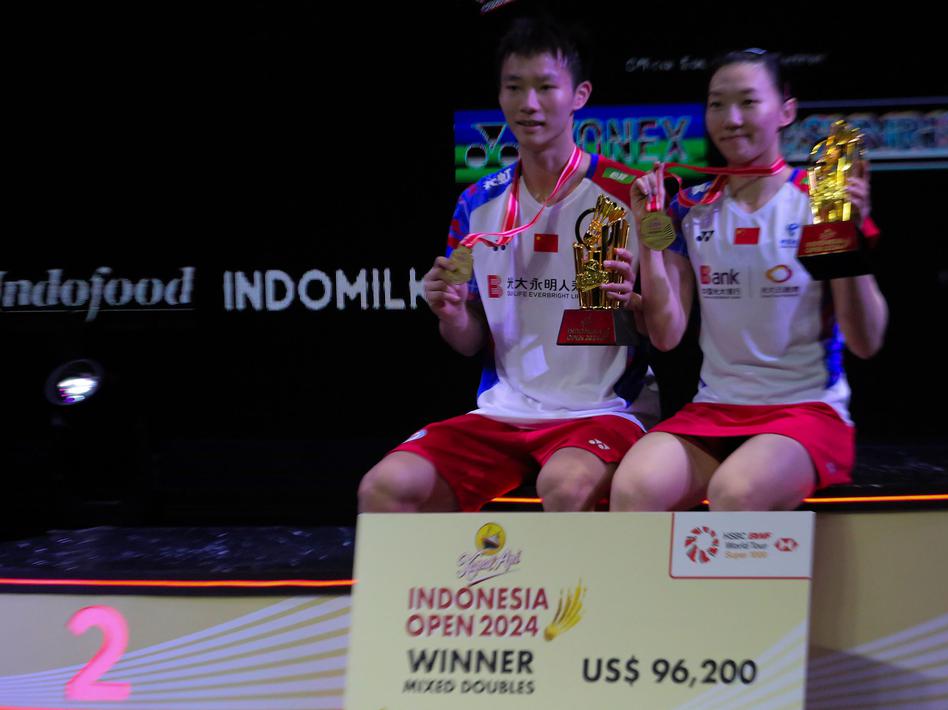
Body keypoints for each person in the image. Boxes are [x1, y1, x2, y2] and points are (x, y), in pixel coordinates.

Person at [358, 18, 651, 514]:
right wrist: (451, 314)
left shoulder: (631, 194)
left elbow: (666, 329)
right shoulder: (476, 203)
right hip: (503, 412)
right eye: (514, 88)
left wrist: (634, 305)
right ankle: (453, 592)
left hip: (602, 409)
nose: (528, 103)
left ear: (579, 95)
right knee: (383, 487)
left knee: (565, 484)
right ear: (499, 96)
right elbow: (470, 340)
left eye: (544, 87)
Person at [611, 49, 887, 512]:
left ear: (786, 111)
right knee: (633, 488)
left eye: (748, 102)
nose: (731, 118)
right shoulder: (690, 209)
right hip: (716, 408)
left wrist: (849, 236)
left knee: (735, 493)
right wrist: (649, 241)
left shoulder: (819, 203)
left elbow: (865, 341)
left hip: (805, 411)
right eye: (717, 104)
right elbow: (667, 334)